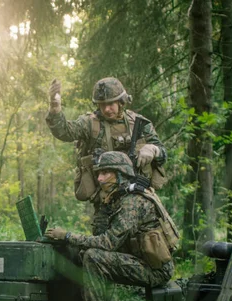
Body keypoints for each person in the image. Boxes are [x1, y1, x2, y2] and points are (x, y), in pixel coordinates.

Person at [44, 151, 179, 301]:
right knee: (89, 255)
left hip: (155, 270)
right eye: (99, 173)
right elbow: (102, 237)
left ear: (120, 173)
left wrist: (67, 236)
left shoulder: (132, 202)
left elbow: (108, 243)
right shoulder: (118, 197)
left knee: (94, 257)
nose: (99, 178)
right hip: (140, 260)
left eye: (106, 173)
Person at [46, 77, 167, 235]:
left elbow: (163, 153)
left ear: (121, 102)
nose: (107, 109)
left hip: (138, 202)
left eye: (111, 104)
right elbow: (65, 132)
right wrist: (55, 108)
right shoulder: (90, 124)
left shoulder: (139, 123)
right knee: (103, 249)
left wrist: (153, 149)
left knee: (148, 247)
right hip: (105, 204)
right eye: (102, 105)